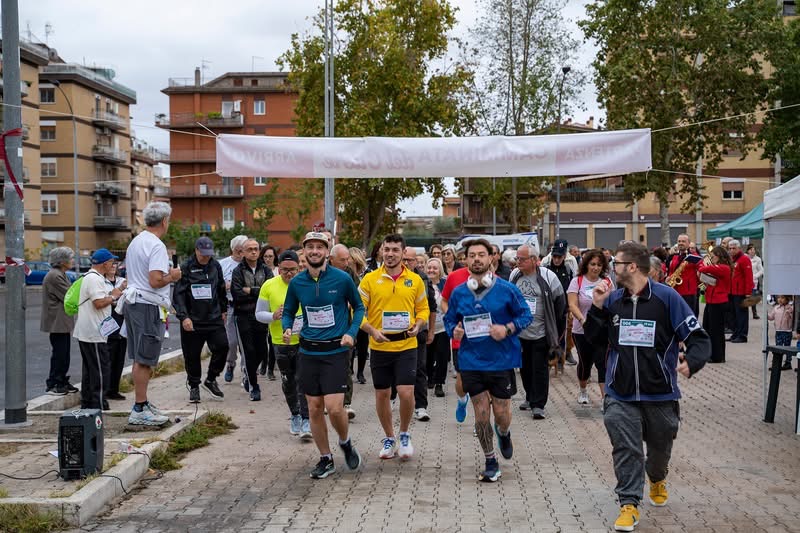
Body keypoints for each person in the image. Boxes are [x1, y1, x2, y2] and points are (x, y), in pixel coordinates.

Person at [583, 242, 711, 532]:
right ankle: (628, 504)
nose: (610, 268)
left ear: (632, 267)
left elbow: (699, 338)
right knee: (627, 448)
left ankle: (657, 476)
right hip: (620, 392)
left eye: (615, 263)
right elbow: (593, 339)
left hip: (661, 393)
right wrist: (599, 309)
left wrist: (692, 361)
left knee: (660, 448)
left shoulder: (667, 298)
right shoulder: (613, 299)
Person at [443, 238, 532, 482]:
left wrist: (508, 328)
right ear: (466, 259)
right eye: (472, 255)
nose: (477, 259)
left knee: (501, 412)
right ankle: (490, 460)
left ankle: (503, 432)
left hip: (502, 360)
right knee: (481, 413)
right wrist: (454, 331)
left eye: (482, 254)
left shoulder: (507, 290)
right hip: (472, 361)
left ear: (492, 257)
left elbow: (526, 315)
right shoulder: (460, 293)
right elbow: (449, 319)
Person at [281, 231, 365, 479]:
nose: (315, 251)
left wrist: (351, 332)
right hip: (308, 351)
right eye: (310, 247)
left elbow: (359, 307)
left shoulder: (342, 279)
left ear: (327, 251)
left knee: (335, 408)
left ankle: (345, 441)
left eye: (320, 247)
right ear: (304, 252)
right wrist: (287, 326)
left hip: (336, 351)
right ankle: (325, 458)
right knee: (315, 407)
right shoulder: (297, 282)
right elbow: (288, 310)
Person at [359, 234, 430, 460]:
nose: (390, 254)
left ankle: (405, 434)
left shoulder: (415, 280)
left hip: (407, 345)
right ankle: (389, 437)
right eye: (386, 249)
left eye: (394, 250)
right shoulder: (369, 280)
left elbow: (423, 309)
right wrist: (372, 331)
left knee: (405, 392)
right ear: (381, 252)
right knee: (382, 394)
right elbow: (357, 312)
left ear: (403, 253)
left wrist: (419, 325)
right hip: (380, 346)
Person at [122, 202, 181, 426]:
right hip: (147, 304)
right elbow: (155, 280)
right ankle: (139, 407)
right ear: (165, 221)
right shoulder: (156, 245)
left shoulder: (136, 242)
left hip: (135, 302)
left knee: (140, 356)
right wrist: (173, 276)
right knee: (145, 358)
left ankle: (143, 402)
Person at [256, 250, 311, 437]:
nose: (289, 274)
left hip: (304, 340)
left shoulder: (307, 283)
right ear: (278, 269)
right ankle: (295, 415)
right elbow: (258, 314)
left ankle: (306, 418)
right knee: (288, 381)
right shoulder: (269, 285)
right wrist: (273, 316)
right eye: (285, 270)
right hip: (280, 341)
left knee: (303, 380)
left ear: (299, 268)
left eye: (293, 270)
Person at [511, 243, 567, 419]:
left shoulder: (548, 277)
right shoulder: (515, 275)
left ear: (534, 260)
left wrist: (555, 328)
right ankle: (529, 397)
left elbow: (560, 303)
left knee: (540, 368)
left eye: (522, 259)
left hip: (541, 331)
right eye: (517, 258)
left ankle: (538, 404)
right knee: (525, 367)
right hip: (520, 331)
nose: (518, 262)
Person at [173, 236, 228, 403]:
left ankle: (211, 378)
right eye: (203, 254)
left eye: (209, 254)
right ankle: (194, 386)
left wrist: (224, 309)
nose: (206, 257)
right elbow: (179, 295)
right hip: (193, 320)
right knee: (192, 355)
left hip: (213, 317)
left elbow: (220, 289)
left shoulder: (215, 266)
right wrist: (184, 317)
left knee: (223, 346)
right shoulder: (186, 267)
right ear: (196, 250)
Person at [74, 249, 124, 410]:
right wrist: (114, 296)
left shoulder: (92, 278)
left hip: (89, 331)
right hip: (94, 332)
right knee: (101, 369)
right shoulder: (95, 279)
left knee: (90, 369)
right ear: (104, 263)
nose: (113, 264)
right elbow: (98, 303)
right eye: (111, 262)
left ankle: (88, 402)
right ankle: (99, 403)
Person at [567, 249, 613, 406]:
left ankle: (604, 398)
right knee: (585, 363)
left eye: (599, 265)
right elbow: (572, 304)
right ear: (586, 264)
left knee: (602, 362)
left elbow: (612, 303)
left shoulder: (607, 282)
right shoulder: (577, 281)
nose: (595, 268)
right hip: (582, 330)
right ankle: (583, 390)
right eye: (593, 264)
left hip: (601, 330)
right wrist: (582, 320)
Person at [231, 238, 273, 400]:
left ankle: (248, 375)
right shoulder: (238, 271)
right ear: (243, 251)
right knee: (248, 351)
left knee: (263, 351)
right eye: (250, 249)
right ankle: (254, 386)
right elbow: (237, 294)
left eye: (256, 248)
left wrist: (251, 291)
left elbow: (268, 291)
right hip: (243, 315)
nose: (254, 252)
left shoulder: (265, 269)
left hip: (261, 315)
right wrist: (259, 292)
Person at [401, 246, 437, 422]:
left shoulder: (422, 278)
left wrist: (431, 330)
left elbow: (431, 307)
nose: (407, 263)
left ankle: (421, 406)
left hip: (419, 330)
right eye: (404, 259)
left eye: (410, 260)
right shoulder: (393, 277)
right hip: (396, 331)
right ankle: (394, 398)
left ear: (416, 261)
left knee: (420, 369)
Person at [40, 247, 78, 396]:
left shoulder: (60, 274)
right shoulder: (55, 276)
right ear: (62, 261)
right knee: (60, 354)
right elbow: (70, 295)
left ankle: (61, 380)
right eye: (71, 258)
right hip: (57, 322)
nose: (73, 261)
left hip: (62, 322)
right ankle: (54, 382)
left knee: (64, 354)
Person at [328, 243, 357, 418]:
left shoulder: (350, 274)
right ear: (331, 260)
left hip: (344, 327)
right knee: (326, 366)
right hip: (323, 329)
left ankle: (346, 404)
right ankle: (328, 401)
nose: (346, 263)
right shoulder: (320, 273)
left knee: (345, 365)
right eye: (342, 260)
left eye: (348, 259)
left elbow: (357, 297)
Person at [542, 239, 578, 367]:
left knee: (563, 333)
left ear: (564, 256)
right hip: (549, 306)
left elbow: (573, 286)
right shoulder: (545, 267)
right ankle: (548, 357)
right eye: (555, 256)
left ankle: (562, 357)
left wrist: (571, 306)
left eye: (560, 257)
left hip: (564, 307)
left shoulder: (569, 268)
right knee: (549, 332)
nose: (557, 259)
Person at [219, 235, 248, 383]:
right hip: (229, 306)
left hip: (246, 306)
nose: (242, 253)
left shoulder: (250, 265)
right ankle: (230, 364)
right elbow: (216, 286)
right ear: (235, 250)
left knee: (246, 342)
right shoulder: (222, 264)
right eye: (240, 250)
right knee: (231, 342)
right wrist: (226, 286)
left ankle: (246, 371)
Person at [698, 246, 733, 364]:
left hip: (719, 302)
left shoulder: (724, 267)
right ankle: (712, 353)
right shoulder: (718, 268)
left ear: (720, 256)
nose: (711, 258)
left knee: (716, 331)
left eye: (713, 256)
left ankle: (718, 356)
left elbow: (703, 268)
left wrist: (703, 264)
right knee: (708, 328)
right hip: (711, 301)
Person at [103, 260, 128, 401]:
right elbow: (107, 300)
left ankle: (114, 389)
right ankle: (105, 389)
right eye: (111, 264)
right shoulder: (101, 281)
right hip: (108, 323)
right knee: (108, 359)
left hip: (122, 323)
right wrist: (116, 295)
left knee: (119, 359)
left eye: (115, 264)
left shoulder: (122, 281)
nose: (113, 267)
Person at [426, 257, 449, 397]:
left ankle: (439, 383)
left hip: (442, 327)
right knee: (427, 355)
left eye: (435, 268)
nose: (431, 270)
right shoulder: (423, 283)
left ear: (439, 270)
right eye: (429, 267)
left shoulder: (445, 284)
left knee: (442, 356)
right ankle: (429, 378)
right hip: (427, 327)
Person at [666, 234, 701, 316]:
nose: (680, 243)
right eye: (679, 241)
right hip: (675, 290)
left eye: (683, 241)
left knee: (688, 315)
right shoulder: (675, 256)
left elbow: (701, 269)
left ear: (689, 243)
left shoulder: (694, 257)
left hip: (688, 293)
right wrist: (669, 277)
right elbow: (671, 270)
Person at [349, 247, 370, 384]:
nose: (348, 261)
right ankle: (349, 368)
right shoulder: (345, 274)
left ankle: (360, 372)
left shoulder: (367, 275)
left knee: (363, 344)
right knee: (350, 342)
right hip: (347, 314)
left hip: (363, 314)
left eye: (349, 259)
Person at [727, 239, 754, 343]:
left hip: (741, 292)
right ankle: (735, 333)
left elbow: (748, 276)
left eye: (734, 248)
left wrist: (748, 292)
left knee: (741, 314)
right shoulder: (732, 259)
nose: (731, 250)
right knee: (734, 314)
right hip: (732, 291)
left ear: (739, 248)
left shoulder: (744, 259)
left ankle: (742, 335)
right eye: (730, 248)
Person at [768, 295, 794, 370]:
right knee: (778, 347)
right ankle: (776, 364)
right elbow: (771, 317)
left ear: (787, 299)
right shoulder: (776, 308)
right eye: (779, 298)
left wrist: (789, 313)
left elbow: (793, 319)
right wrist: (766, 314)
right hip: (778, 331)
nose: (780, 300)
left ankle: (788, 363)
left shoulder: (790, 308)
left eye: (782, 298)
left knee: (787, 348)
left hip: (787, 331)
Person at [746, 244, 763, 319]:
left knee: (753, 297)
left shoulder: (758, 259)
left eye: (753, 250)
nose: (752, 251)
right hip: (745, 281)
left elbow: (761, 270)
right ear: (748, 251)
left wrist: (755, 276)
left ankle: (754, 313)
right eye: (751, 250)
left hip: (754, 281)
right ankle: (744, 313)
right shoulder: (745, 258)